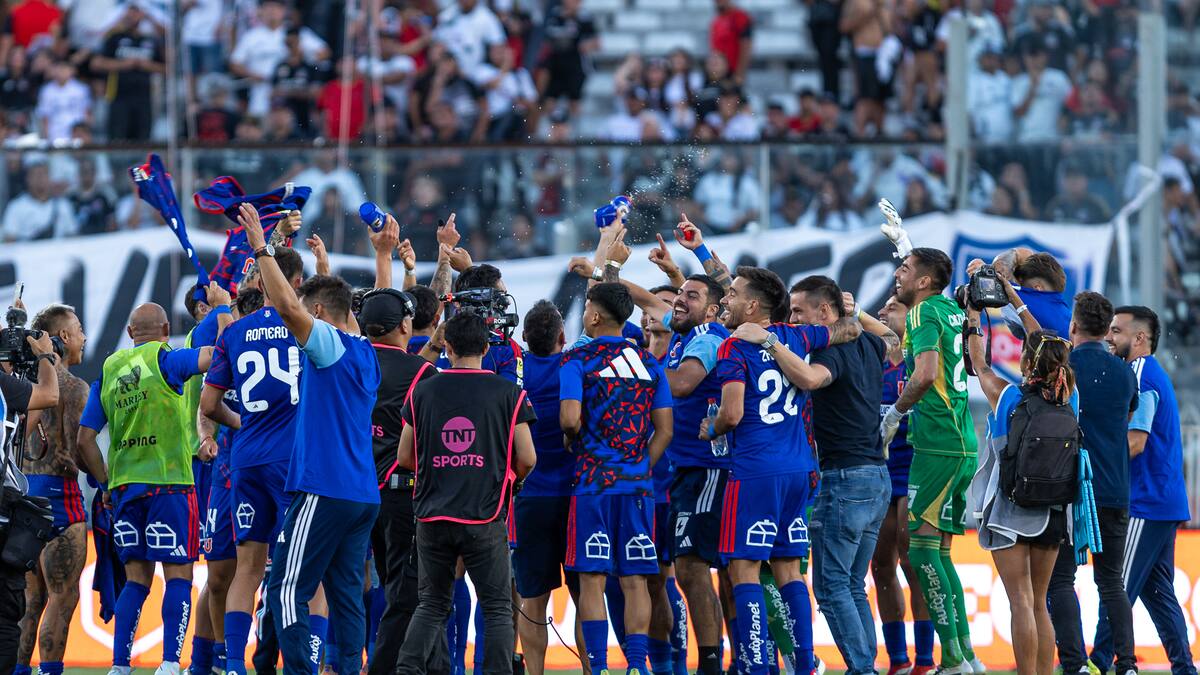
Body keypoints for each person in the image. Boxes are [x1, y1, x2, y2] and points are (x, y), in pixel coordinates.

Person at [239, 202, 381, 675]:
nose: (294, 318)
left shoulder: (327, 344)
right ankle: (343, 669)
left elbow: (283, 304)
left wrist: (263, 247)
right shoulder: (364, 350)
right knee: (345, 596)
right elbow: (343, 307)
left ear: (317, 314)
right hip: (362, 494)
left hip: (324, 488)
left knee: (283, 588)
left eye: (306, 311)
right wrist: (377, 261)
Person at [705, 268, 857, 674]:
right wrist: (847, 313)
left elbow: (733, 414)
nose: (727, 300)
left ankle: (757, 666)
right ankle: (804, 665)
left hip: (755, 471)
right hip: (799, 472)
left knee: (744, 572)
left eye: (734, 294)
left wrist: (712, 427)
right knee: (790, 571)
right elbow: (849, 329)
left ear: (753, 306)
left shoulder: (732, 348)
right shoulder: (799, 337)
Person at [198, 246, 330, 675]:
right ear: (294, 285)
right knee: (311, 571)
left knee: (248, 569)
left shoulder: (233, 333)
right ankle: (308, 662)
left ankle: (234, 665)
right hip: (295, 460)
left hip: (247, 461)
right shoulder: (306, 326)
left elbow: (209, 404)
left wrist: (245, 421)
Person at [752, 277, 891, 675]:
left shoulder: (834, 348)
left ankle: (862, 670)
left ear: (825, 312)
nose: (793, 318)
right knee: (851, 584)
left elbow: (811, 380)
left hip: (845, 478)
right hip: (875, 479)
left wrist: (771, 344)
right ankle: (865, 667)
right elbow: (894, 341)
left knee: (831, 588)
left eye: (798, 310)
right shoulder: (868, 343)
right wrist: (859, 313)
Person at [76, 303, 215, 675]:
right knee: (179, 576)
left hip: (124, 490)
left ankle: (120, 665)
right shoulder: (166, 359)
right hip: (170, 486)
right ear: (166, 329)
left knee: (136, 580)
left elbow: (85, 439)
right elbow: (209, 358)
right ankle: (170, 663)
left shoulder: (109, 369)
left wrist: (104, 482)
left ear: (128, 332)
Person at [395, 312, 537, 674]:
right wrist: (508, 482)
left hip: (431, 514)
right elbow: (528, 458)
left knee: (431, 605)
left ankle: (407, 670)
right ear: (488, 348)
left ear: (449, 346)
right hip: (485, 515)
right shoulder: (509, 393)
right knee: (497, 607)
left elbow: (404, 456)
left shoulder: (423, 390)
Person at [560, 283, 674, 675]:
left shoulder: (577, 361)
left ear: (593, 315)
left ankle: (600, 666)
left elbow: (569, 418)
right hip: (637, 487)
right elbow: (665, 431)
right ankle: (638, 666)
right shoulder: (649, 363)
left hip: (593, 484)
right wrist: (640, 466)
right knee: (636, 580)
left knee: (592, 579)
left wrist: (573, 439)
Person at [880, 248, 980, 675]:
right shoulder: (950, 309)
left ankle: (953, 660)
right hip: (962, 441)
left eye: (904, 270)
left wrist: (894, 414)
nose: (896, 276)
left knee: (920, 556)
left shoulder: (922, 314)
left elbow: (923, 374)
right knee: (939, 553)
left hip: (937, 443)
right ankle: (968, 655)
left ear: (922, 282)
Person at [1093, 307, 1197, 675]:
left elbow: (1136, 442)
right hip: (1162, 501)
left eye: (1117, 331)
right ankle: (1185, 669)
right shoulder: (1151, 374)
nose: (1109, 338)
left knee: (1114, 587)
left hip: (1144, 502)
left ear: (1139, 339)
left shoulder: (1139, 374)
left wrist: (1097, 459)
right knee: (1159, 594)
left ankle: (1097, 663)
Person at [968, 319, 1074, 675]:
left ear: (1026, 364)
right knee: (1040, 603)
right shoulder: (1071, 399)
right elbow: (1051, 344)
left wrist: (973, 320)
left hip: (1009, 510)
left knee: (1021, 602)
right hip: (1054, 509)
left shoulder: (1009, 396)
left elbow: (980, 364)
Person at [1047, 292, 1138, 675]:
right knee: (1111, 581)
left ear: (1074, 325)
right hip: (1115, 488)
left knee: (1061, 580)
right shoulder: (1123, 372)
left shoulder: (1065, 367)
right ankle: (1128, 665)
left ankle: (1074, 665)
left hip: (1072, 488)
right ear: (1107, 330)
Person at [360, 286, 440, 675]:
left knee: (371, 587)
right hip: (401, 494)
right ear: (406, 324)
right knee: (409, 593)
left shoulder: (349, 361)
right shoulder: (423, 373)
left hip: (353, 491)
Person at [512, 301, 589, 675]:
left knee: (532, 599)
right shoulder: (575, 366)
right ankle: (595, 669)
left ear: (524, 337)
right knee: (586, 596)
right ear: (563, 336)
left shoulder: (515, 373)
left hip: (531, 497)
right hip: (577, 496)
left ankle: (535, 672)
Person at [11, 305, 84, 675]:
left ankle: (20, 671)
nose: (85, 338)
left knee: (29, 600)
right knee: (62, 597)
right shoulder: (73, 387)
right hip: (61, 501)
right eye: (79, 330)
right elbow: (82, 450)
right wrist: (104, 482)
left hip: (24, 497)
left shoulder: (22, 384)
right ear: (65, 339)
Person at [872, 295, 936, 675]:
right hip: (879, 471)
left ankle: (925, 660)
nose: (882, 312)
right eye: (880, 310)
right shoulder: (873, 365)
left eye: (891, 307)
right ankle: (898, 659)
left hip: (916, 469)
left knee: (915, 565)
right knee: (881, 566)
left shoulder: (922, 361)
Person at [0, 327, 61, 675]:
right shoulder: (4, 387)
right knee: (7, 618)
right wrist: (42, 355)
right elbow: (49, 395)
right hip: (1, 518)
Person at [91, 3, 164, 142]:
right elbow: (97, 63)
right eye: (130, 13)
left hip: (144, 98)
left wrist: (145, 65)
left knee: (143, 139)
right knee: (118, 139)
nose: (133, 17)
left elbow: (166, 67)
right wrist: (125, 64)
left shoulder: (150, 40)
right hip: (118, 97)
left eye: (136, 13)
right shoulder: (115, 37)